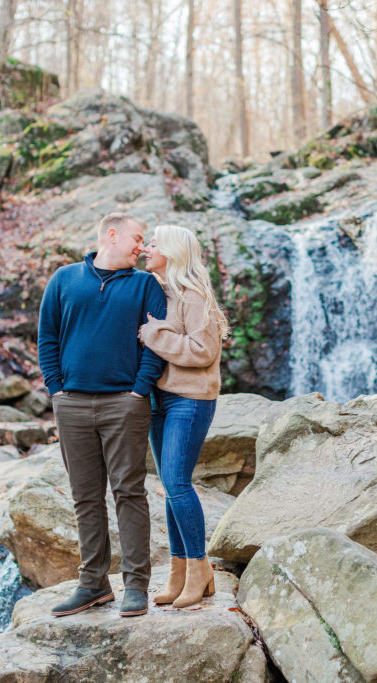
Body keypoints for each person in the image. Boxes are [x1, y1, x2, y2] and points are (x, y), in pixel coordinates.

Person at [37, 213, 167, 618]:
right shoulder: (64, 279)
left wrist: (138, 391)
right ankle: (93, 584)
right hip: (72, 404)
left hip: (124, 404)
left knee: (129, 493)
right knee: (85, 497)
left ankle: (135, 587)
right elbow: (47, 338)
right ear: (112, 235)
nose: (142, 248)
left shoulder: (146, 284)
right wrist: (56, 390)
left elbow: (157, 343)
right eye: (138, 238)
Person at [138, 224, 229, 608]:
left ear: (173, 252)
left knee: (177, 483)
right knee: (169, 486)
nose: (146, 248)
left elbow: (202, 350)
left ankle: (199, 568)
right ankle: (178, 572)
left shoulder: (193, 295)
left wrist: (153, 334)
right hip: (162, 399)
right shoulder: (163, 292)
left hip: (189, 401)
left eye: (154, 243)